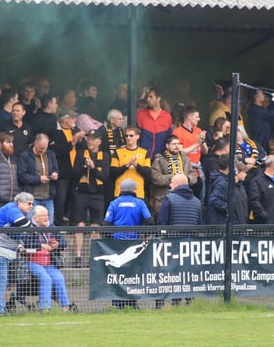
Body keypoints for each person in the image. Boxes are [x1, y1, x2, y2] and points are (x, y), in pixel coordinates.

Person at [103, 179, 153, 310]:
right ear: (132, 190)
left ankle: (116, 302)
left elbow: (106, 225)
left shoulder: (114, 203)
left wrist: (108, 241)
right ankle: (132, 302)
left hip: (117, 242)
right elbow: (150, 221)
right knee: (132, 273)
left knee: (117, 273)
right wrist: (144, 235)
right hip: (133, 241)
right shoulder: (140, 203)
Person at [156, 173, 201, 308]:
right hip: (190, 244)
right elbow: (200, 224)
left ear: (177, 184)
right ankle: (189, 300)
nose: (170, 185)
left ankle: (166, 302)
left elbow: (162, 222)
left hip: (172, 243)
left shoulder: (169, 199)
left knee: (170, 272)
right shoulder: (197, 202)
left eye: (172, 183)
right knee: (188, 271)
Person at [0, 192, 33, 315]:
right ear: (20, 203)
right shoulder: (12, 208)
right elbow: (25, 224)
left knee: (0, 279)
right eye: (29, 203)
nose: (31, 206)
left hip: (6, 249)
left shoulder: (16, 209)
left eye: (32, 204)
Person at [20, 205, 73, 312]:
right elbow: (26, 243)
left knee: (59, 278)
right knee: (46, 279)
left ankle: (66, 308)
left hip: (49, 261)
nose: (46, 218)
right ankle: (45, 308)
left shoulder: (51, 227)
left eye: (47, 215)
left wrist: (58, 244)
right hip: (32, 261)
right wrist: (41, 245)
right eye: (43, 216)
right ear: (35, 218)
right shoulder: (28, 227)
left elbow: (63, 242)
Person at [70, 129, 110, 265]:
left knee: (95, 225)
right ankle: (78, 257)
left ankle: (94, 257)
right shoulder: (81, 154)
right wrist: (84, 166)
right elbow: (74, 173)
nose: (90, 142)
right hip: (81, 193)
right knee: (79, 224)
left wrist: (93, 168)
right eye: (89, 139)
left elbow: (105, 177)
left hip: (97, 194)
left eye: (93, 139)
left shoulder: (104, 156)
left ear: (99, 141)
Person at [52, 108, 86, 223]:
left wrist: (80, 140)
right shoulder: (55, 132)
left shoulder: (75, 129)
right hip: (62, 172)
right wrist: (72, 142)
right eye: (72, 118)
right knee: (61, 199)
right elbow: (57, 151)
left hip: (75, 171)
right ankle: (59, 223)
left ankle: (73, 223)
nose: (74, 120)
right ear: (64, 119)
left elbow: (82, 148)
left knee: (75, 198)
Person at [150, 135, 197, 215]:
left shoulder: (186, 159)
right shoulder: (159, 159)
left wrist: (185, 178)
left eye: (178, 144)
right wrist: (173, 178)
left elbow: (193, 176)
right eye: (174, 144)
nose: (177, 146)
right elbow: (155, 178)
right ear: (167, 145)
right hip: (164, 199)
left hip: (183, 199)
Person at [18, 133, 59, 223]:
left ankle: (47, 238)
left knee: (49, 223)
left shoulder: (50, 154)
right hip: (32, 197)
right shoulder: (26, 155)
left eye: (45, 148)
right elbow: (21, 176)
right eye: (41, 148)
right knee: (30, 223)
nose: (43, 150)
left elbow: (56, 168)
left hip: (48, 196)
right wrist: (38, 179)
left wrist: (55, 174)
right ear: (35, 143)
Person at [172, 106, 207, 200]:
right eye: (197, 117)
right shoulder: (177, 132)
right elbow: (180, 151)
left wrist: (202, 141)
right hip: (185, 171)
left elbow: (205, 151)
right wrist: (197, 143)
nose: (199, 119)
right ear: (189, 117)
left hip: (198, 172)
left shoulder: (198, 130)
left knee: (199, 200)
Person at [111, 126, 151, 200]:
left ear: (137, 136)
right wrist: (127, 165)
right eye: (126, 136)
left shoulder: (144, 152)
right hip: (120, 192)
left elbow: (148, 173)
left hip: (137, 192)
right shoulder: (118, 152)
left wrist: (136, 165)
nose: (128, 138)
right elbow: (113, 172)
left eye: (131, 135)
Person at [205, 155, 249, 224]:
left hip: (238, 225)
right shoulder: (223, 183)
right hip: (224, 226)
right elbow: (214, 200)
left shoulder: (235, 183)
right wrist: (230, 208)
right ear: (230, 166)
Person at [249, 155, 274, 225]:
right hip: (265, 224)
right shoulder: (257, 181)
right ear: (273, 165)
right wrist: (263, 214)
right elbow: (254, 201)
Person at [136, 87, 173, 158]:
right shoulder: (141, 114)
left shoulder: (167, 117)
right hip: (142, 156)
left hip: (160, 158)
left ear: (158, 98)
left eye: (151, 97)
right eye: (147, 97)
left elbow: (168, 138)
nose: (148, 99)